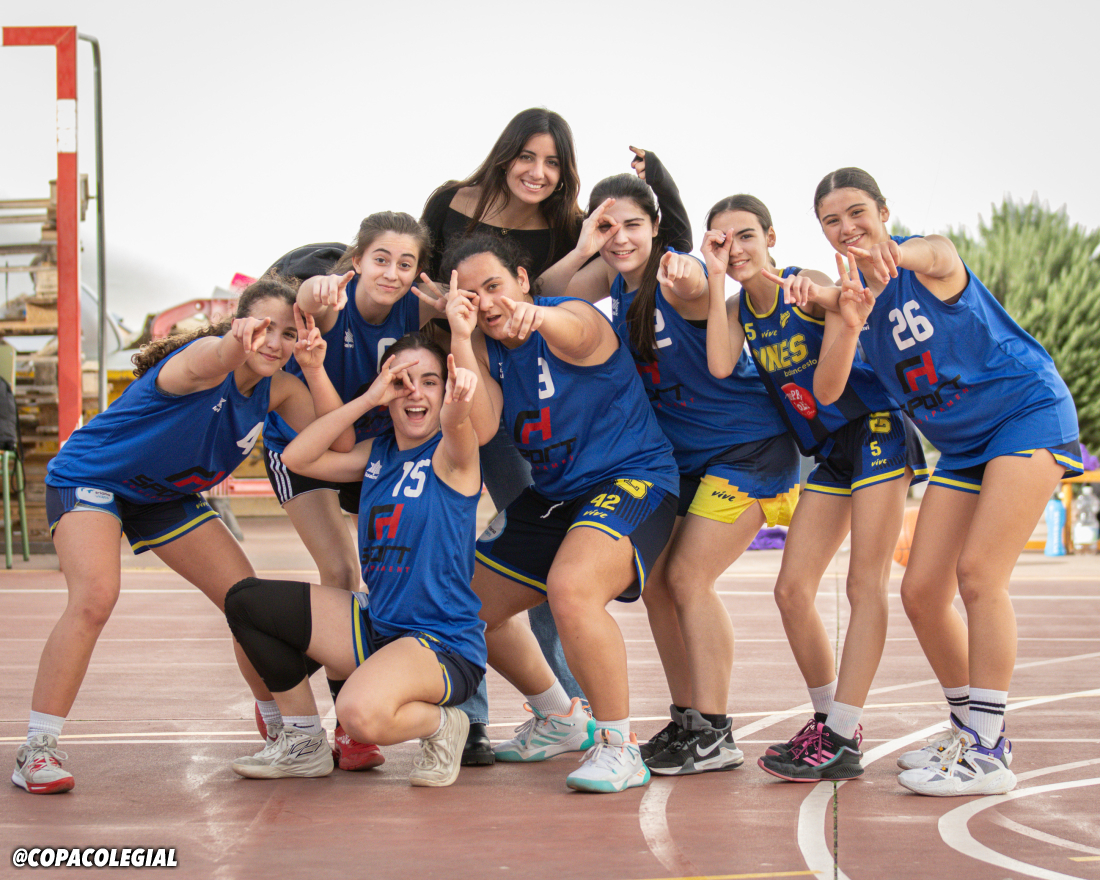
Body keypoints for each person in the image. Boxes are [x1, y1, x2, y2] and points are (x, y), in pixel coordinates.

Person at [12, 276, 351, 794]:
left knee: (249, 603)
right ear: (239, 323)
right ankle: (37, 748)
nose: (274, 342)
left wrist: (314, 367)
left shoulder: (280, 387)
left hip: (163, 495)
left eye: (288, 333)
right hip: (93, 477)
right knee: (95, 596)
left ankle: (286, 731)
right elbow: (218, 356)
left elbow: (340, 443)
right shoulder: (199, 360)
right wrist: (233, 342)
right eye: (263, 327)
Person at [811, 167, 1082, 796]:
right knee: (921, 590)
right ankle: (971, 729)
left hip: (1024, 415)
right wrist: (845, 318)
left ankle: (986, 749)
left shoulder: (926, 260)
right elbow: (827, 391)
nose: (847, 227)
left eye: (857, 212)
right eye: (831, 220)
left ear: (883, 212)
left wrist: (896, 252)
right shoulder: (850, 300)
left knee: (979, 574)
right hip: (962, 445)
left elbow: (935, 251)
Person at [558, 171, 798, 775]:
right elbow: (545, 292)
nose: (619, 237)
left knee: (689, 578)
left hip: (748, 452)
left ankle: (715, 731)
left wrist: (692, 270)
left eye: (632, 225)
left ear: (657, 228)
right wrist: (586, 246)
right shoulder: (611, 288)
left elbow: (690, 278)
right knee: (659, 585)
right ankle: (689, 718)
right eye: (606, 225)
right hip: (686, 462)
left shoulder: (676, 275)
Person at [432, 232, 679, 793]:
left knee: (571, 590)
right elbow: (484, 428)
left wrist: (537, 317)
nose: (486, 302)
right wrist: (461, 336)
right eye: (471, 295)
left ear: (522, 279)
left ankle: (620, 746)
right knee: (459, 604)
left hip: (633, 479)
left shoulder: (570, 314)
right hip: (555, 496)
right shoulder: (484, 349)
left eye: (494, 285)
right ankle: (559, 717)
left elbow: (578, 331)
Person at [701, 194, 927, 781]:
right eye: (721, 240)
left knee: (864, 583)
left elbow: (830, 379)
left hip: (875, 430)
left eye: (746, 236)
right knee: (792, 590)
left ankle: (843, 733)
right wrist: (715, 277)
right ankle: (830, 722)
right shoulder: (737, 309)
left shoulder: (808, 284)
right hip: (831, 450)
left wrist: (831, 305)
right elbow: (721, 365)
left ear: (771, 238)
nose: (735, 248)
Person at [224, 334, 484, 787]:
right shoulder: (376, 454)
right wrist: (367, 400)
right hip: (376, 625)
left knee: (358, 715)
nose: (416, 393)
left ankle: (444, 724)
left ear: (445, 390)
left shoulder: (452, 456)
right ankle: (304, 744)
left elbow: (458, 423)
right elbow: (296, 457)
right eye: (402, 382)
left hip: (442, 642)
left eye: (429, 381)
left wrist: (457, 406)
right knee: (246, 603)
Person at [420, 108, 589, 764]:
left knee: (532, 552)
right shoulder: (449, 203)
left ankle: (571, 708)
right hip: (445, 387)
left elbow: (557, 292)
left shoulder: (565, 226)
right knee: (450, 548)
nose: (538, 173)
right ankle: (468, 718)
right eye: (528, 157)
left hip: (513, 398)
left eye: (553, 163)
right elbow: (414, 275)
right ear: (505, 154)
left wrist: (652, 187)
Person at [259, 213, 438, 771]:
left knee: (386, 578)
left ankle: (356, 714)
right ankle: (329, 720)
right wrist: (314, 293)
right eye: (380, 259)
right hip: (304, 447)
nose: (392, 273)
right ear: (356, 261)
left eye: (406, 263)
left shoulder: (415, 306)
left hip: (367, 450)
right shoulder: (331, 303)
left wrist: (458, 304)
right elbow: (313, 299)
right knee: (340, 573)